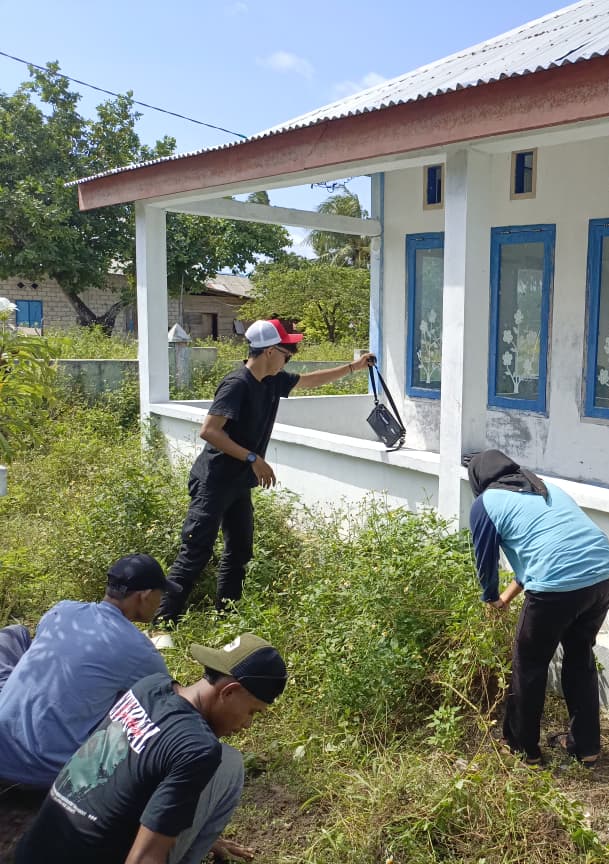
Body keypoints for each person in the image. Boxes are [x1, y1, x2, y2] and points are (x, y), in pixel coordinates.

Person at [155, 319, 376, 628]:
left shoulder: (271, 380)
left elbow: (309, 381)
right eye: (288, 354)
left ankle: (227, 619)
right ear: (271, 351)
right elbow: (209, 431)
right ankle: (163, 625)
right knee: (196, 551)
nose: (289, 360)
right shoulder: (237, 384)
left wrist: (353, 368)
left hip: (238, 483)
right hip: (214, 481)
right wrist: (253, 458)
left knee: (239, 551)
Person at [15, 632, 287, 864]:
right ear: (228, 692)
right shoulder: (197, 748)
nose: (248, 725)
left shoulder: (150, 686)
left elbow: (130, 774)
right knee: (230, 764)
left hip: (32, 851)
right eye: (252, 712)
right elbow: (143, 860)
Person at [468, 449, 609, 767]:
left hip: (557, 589)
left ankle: (524, 749)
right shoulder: (542, 487)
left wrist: (489, 597)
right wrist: (505, 599)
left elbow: (486, 561)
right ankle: (586, 747)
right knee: (580, 658)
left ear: (478, 480)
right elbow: (542, 553)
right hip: (603, 575)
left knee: (529, 665)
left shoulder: (486, 504)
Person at [0, 554, 178, 789]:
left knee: (14, 634)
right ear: (144, 596)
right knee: (136, 702)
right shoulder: (140, 650)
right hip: (46, 771)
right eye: (160, 594)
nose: (160, 600)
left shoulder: (63, 610)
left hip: (4, 751)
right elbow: (168, 701)